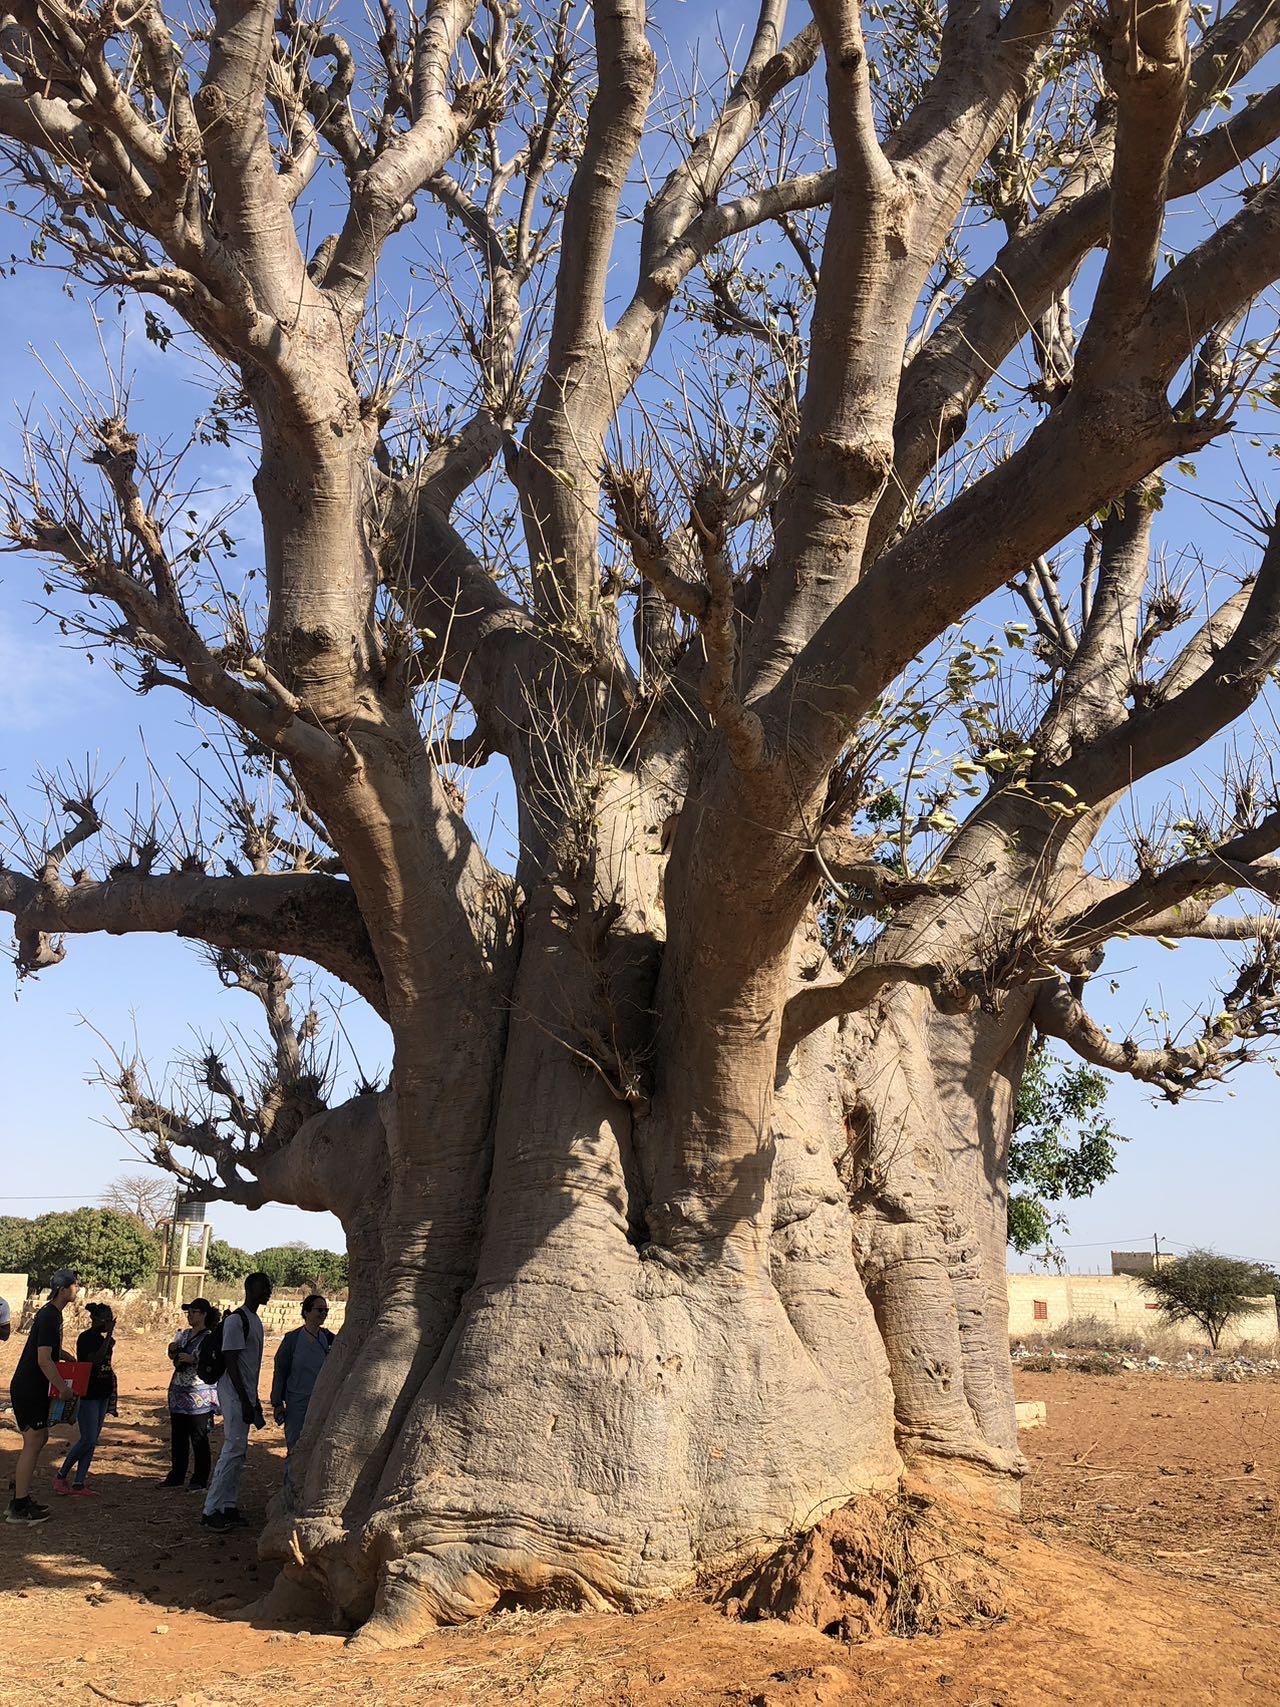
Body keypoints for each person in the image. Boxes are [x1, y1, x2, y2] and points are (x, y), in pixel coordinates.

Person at [202, 1271, 272, 1532]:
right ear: (250, 1289)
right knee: (231, 1450)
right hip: (233, 1393)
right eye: (264, 1287)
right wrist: (244, 1399)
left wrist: (253, 1400)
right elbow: (231, 1361)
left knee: (239, 1452)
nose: (269, 1292)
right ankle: (211, 1510)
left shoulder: (254, 1320)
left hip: (245, 1394)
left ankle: (228, 1505)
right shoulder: (235, 1321)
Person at [7, 1268, 79, 1525]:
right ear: (63, 1289)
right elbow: (43, 1360)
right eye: (74, 1285)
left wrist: (65, 1355)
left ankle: (19, 1495)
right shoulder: (50, 1316)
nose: (77, 1289)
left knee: (38, 1439)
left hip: (29, 1387)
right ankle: (19, 1507)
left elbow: (46, 1349)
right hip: (30, 1387)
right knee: (34, 1440)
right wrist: (63, 1388)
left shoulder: (51, 1314)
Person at [52, 1302, 118, 1496]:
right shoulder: (86, 1338)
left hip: (103, 1391)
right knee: (87, 1438)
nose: (110, 1324)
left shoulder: (103, 1339)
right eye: (107, 1320)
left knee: (92, 1440)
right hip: (89, 1393)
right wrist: (109, 1339)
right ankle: (61, 1475)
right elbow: (94, 1360)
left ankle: (79, 1482)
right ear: (96, 1320)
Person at [271, 1296, 334, 1489]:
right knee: (295, 1445)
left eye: (325, 1311)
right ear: (306, 1312)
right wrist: (277, 1403)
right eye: (318, 1310)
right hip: (297, 1401)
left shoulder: (330, 1338)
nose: (323, 1314)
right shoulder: (292, 1339)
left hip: (322, 1401)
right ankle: (291, 1488)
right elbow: (280, 1370)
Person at [160, 1299, 221, 1490]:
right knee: (178, 1437)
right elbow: (173, 1356)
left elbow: (213, 1360)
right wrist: (172, 1351)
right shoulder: (183, 1334)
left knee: (199, 1437)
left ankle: (199, 1479)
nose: (190, 1315)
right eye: (189, 1312)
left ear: (204, 1314)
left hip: (199, 1393)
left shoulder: (210, 1337)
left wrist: (192, 1359)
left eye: (194, 1312)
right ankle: (176, 1475)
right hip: (178, 1391)